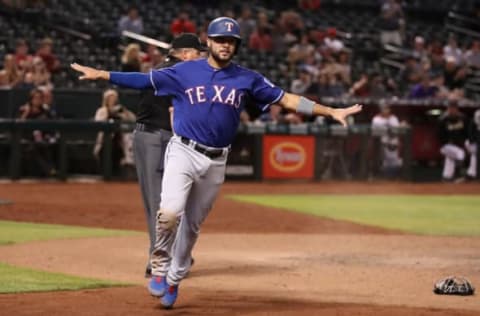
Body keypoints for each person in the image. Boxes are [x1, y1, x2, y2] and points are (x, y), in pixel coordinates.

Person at [71, 17, 362, 309]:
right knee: (170, 212)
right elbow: (144, 80)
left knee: (192, 227)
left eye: (231, 41)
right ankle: (159, 266)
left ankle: (175, 278)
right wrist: (102, 74)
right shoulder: (185, 71)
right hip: (183, 150)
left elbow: (286, 100)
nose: (226, 45)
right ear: (208, 41)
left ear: (236, 46)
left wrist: (329, 111)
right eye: (220, 39)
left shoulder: (247, 78)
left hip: (216, 161)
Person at [133, 33, 206, 278]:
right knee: (162, 202)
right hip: (156, 137)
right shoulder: (175, 73)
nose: (201, 57)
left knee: (168, 200)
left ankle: (174, 253)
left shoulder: (162, 71)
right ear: (185, 54)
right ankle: (160, 259)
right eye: (198, 53)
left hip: (162, 137)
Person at [93, 89, 136, 176]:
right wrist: (109, 112)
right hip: (105, 142)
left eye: (114, 98)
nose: (112, 100)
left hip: (120, 141)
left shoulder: (120, 111)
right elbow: (97, 122)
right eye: (110, 98)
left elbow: (133, 119)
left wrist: (124, 112)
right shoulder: (102, 110)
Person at [437, 103, 474, 181]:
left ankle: (446, 176)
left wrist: (465, 143)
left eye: (454, 108)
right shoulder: (443, 119)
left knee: (450, 158)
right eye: (450, 108)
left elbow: (468, 132)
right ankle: (459, 175)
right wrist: (447, 142)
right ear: (448, 109)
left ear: (457, 109)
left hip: (459, 145)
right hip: (446, 146)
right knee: (460, 154)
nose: (452, 110)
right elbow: (439, 136)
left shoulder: (463, 118)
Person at [371, 103, 403, 178]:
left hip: (394, 144)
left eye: (387, 108)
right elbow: (374, 134)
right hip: (382, 145)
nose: (386, 110)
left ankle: (394, 177)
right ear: (380, 110)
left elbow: (398, 131)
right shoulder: (376, 119)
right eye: (384, 108)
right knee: (385, 163)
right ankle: (383, 177)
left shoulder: (393, 118)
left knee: (396, 163)